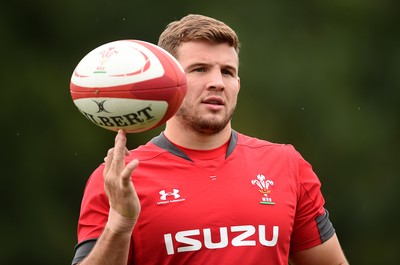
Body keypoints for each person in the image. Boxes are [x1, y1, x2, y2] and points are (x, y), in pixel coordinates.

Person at [71, 14, 349, 265]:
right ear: (168, 82)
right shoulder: (119, 178)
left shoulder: (286, 165)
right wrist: (120, 223)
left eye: (227, 72)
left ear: (238, 84)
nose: (217, 82)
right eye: (200, 69)